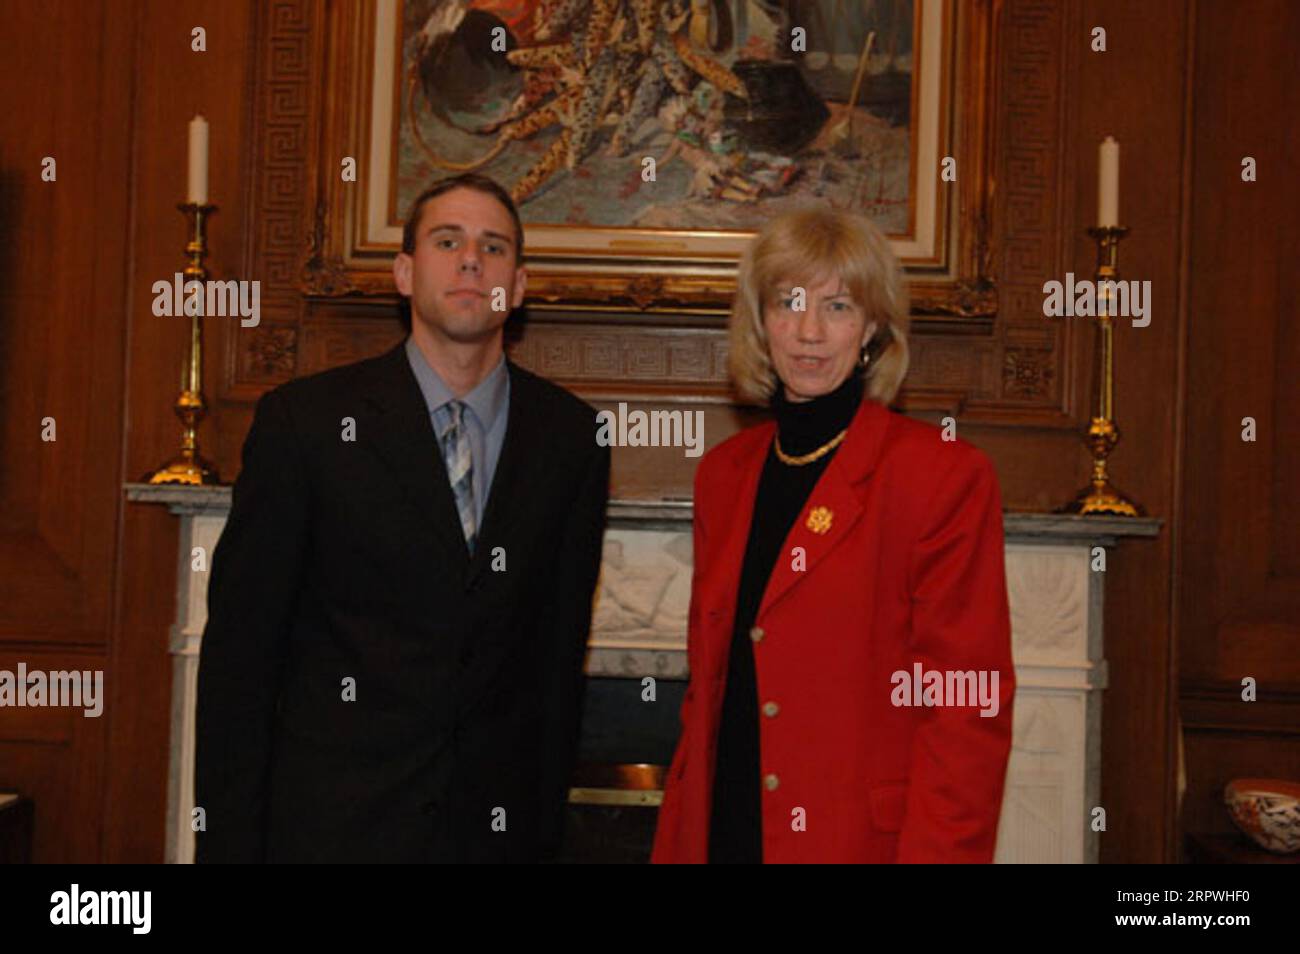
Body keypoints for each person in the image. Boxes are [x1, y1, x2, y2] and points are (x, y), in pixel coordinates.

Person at [194, 173, 610, 863]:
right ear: (404, 272)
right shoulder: (307, 425)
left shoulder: (572, 439)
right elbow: (240, 664)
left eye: (494, 246)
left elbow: (557, 668)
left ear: (522, 283)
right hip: (331, 834)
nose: (472, 260)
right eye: (448, 241)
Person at [651, 206, 1014, 863]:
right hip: (725, 830)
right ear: (760, 321)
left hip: (855, 844)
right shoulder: (724, 476)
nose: (810, 331)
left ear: (873, 327)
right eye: (789, 303)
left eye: (839, 306)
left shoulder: (942, 476)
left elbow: (966, 712)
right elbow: (707, 695)